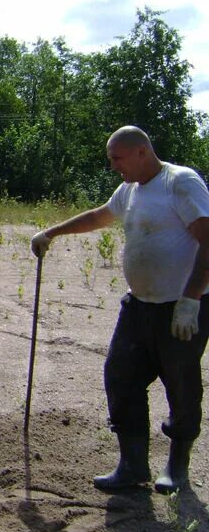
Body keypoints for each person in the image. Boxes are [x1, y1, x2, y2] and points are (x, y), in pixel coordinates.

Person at [31, 125, 209, 495]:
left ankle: (177, 467)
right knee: (120, 377)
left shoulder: (181, 182)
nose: (113, 166)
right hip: (139, 306)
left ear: (141, 152)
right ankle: (132, 466)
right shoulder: (129, 189)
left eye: (117, 158)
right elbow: (100, 216)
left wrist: (191, 299)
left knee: (181, 386)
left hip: (181, 308)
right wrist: (52, 233)